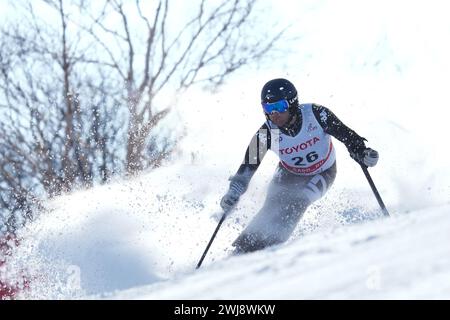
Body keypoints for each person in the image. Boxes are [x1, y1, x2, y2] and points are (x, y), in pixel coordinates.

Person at [220, 78, 379, 254]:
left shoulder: (316, 115)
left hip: (322, 172)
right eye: (268, 108)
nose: (274, 114)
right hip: (287, 173)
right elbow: (247, 167)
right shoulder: (267, 132)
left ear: (292, 103)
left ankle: (271, 246)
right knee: (271, 206)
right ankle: (243, 249)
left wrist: (361, 152)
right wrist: (234, 191)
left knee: (299, 201)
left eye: (279, 107)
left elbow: (347, 136)